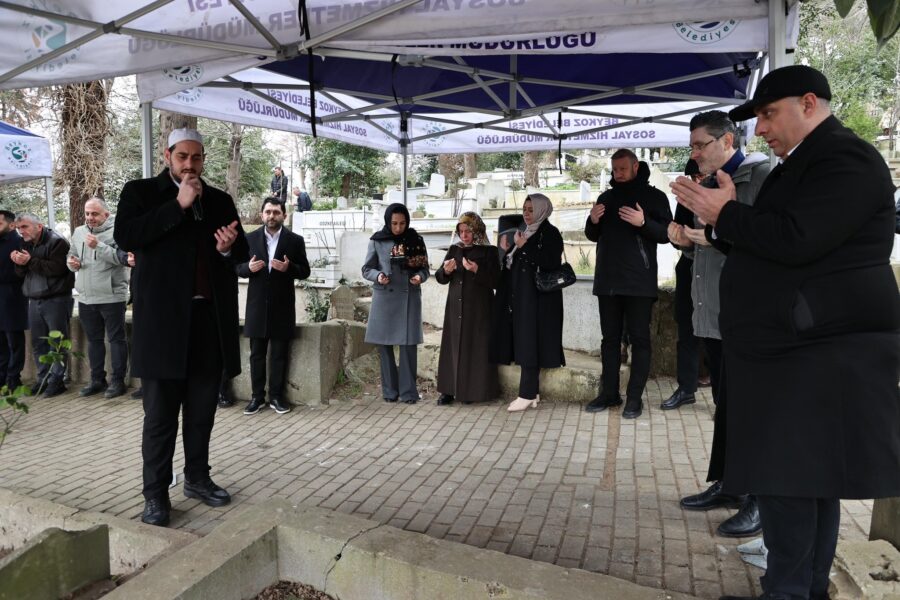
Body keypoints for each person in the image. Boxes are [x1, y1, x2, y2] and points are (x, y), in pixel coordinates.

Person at [671, 65, 900, 600]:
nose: (763, 130)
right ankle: (799, 588)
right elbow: (771, 242)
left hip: (814, 351)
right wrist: (721, 222)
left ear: (810, 103)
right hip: (796, 350)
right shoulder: (800, 166)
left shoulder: (845, 159)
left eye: (770, 115)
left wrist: (726, 214)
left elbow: (797, 239)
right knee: (803, 483)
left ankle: (792, 590)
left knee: (790, 482)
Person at [114, 128, 249, 527]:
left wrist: (227, 249)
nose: (190, 165)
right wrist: (177, 204)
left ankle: (197, 479)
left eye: (197, 158)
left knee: (202, 411)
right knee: (159, 417)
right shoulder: (140, 192)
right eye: (182, 157)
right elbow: (127, 236)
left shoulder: (220, 200)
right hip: (162, 328)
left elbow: (241, 252)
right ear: (167, 155)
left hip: (208, 322)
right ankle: (155, 495)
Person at [668, 110, 770, 539]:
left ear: (728, 140)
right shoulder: (706, 185)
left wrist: (712, 235)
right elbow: (706, 250)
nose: (694, 154)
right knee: (728, 408)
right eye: (691, 146)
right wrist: (685, 242)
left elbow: (765, 243)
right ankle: (730, 484)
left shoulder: (761, 178)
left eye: (699, 145)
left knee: (752, 412)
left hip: (748, 316)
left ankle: (759, 499)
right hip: (712, 313)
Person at [583, 150, 672, 419]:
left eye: (622, 168)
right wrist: (593, 220)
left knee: (639, 341)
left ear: (635, 166)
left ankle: (634, 398)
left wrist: (643, 222)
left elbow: (667, 234)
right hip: (608, 281)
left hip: (638, 282)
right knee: (610, 341)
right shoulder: (606, 198)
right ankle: (609, 393)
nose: (617, 174)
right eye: (614, 169)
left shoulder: (654, 197)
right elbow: (592, 235)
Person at [489, 193, 565, 412]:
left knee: (530, 342)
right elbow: (513, 264)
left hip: (540, 301)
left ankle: (527, 393)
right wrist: (506, 249)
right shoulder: (524, 232)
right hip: (522, 298)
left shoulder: (549, 234)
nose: (527, 214)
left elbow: (549, 262)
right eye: (525, 209)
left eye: (531, 210)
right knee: (524, 341)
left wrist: (524, 246)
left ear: (542, 210)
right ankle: (533, 393)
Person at [238, 197, 310, 416]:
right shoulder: (248, 239)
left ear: (284, 216)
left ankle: (277, 397)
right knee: (256, 355)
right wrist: (248, 268)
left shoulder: (294, 241)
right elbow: (236, 268)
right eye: (268, 212)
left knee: (279, 354)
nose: (271, 216)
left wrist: (289, 268)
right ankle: (256, 397)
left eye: (276, 212)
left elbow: (305, 271)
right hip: (257, 306)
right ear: (262, 215)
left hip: (282, 306)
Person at [362, 203, 429, 404]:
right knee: (384, 346)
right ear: (387, 222)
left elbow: (425, 269)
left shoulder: (416, 240)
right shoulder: (377, 240)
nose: (398, 227)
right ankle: (390, 391)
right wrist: (379, 275)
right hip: (385, 296)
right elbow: (366, 269)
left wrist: (419, 277)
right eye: (394, 223)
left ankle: (409, 392)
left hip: (409, 296)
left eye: (402, 223)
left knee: (408, 346)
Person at [67, 198, 133, 399]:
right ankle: (97, 380)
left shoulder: (118, 231)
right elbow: (71, 255)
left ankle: (118, 381)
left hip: (111, 296)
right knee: (94, 341)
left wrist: (99, 246)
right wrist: (72, 263)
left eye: (94, 214)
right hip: (86, 297)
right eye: (87, 213)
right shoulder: (79, 232)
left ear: (106, 214)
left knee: (116, 340)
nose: (90, 218)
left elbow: (123, 259)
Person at [434, 212, 500, 406]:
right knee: (452, 348)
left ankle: (471, 392)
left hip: (479, 310)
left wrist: (476, 270)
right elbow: (440, 277)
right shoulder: (455, 249)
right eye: (461, 231)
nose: (464, 235)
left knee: (475, 349)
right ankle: (448, 390)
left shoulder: (490, 251)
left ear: (477, 230)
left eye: (468, 231)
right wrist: (445, 271)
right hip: (456, 309)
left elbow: (497, 280)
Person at [11, 212, 74, 397]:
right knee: (38, 343)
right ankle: (43, 379)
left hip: (56, 299)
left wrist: (29, 261)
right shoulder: (25, 243)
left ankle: (57, 380)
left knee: (57, 342)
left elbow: (56, 269)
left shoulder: (57, 242)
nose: (21, 231)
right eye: (19, 228)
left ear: (38, 226)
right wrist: (18, 263)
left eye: (24, 227)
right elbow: (22, 274)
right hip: (34, 299)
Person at [663, 159, 705, 412]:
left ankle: (726, 392)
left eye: (700, 176)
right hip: (688, 268)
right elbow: (678, 235)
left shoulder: (725, 195)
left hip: (715, 272)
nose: (697, 182)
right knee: (686, 329)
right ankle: (686, 388)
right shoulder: (685, 201)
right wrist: (677, 239)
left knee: (718, 334)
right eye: (693, 178)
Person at [0, 210, 27, 391]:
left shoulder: (19, 242)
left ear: (11, 225)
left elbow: (19, 272)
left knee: (14, 340)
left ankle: (13, 377)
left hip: (12, 298)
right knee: (0, 342)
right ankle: (1, 377)